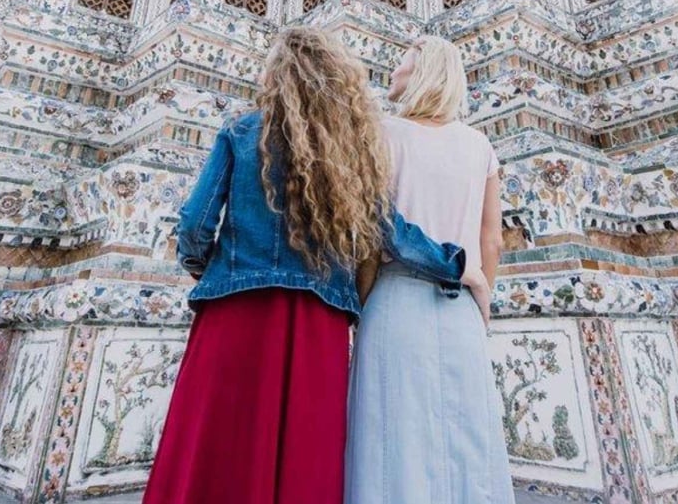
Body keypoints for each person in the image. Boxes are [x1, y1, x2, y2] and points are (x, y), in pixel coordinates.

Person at [145, 28, 463, 504]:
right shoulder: (351, 148)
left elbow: (195, 222)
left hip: (235, 307)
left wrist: (206, 268)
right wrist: (451, 264)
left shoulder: (240, 131)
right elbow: (389, 232)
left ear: (277, 76)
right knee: (304, 456)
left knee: (219, 444)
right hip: (318, 318)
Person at [346, 35, 514, 504]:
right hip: (462, 308)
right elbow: (492, 239)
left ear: (421, 73)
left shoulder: (382, 134)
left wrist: (362, 302)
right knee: (468, 450)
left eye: (401, 63)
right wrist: (483, 298)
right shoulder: (480, 144)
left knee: (392, 449)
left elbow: (369, 235)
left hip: (395, 301)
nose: (392, 72)